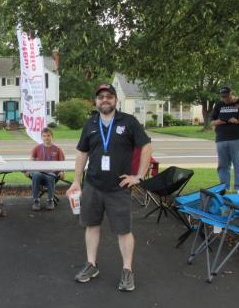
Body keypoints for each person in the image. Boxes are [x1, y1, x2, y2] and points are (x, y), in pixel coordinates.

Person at [66, 84, 152, 292]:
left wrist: (138, 176)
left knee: (124, 231)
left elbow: (146, 146)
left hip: (118, 188)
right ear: (96, 101)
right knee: (91, 225)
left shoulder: (128, 122)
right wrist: (76, 180)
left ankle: (127, 270)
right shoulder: (91, 123)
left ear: (115, 100)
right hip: (93, 186)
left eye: (109, 96)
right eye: (101, 97)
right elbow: (82, 153)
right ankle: (91, 265)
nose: (105, 100)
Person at [210, 86, 239, 192]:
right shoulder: (219, 105)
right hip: (221, 139)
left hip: (238, 139)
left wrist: (238, 120)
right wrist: (218, 122)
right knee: (223, 166)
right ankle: (224, 188)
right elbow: (212, 121)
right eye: (222, 97)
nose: (224, 99)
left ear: (232, 94)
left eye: (226, 96)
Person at [25, 127, 65, 211]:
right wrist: (28, 170)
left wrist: (62, 172)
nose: (46, 138)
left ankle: (50, 200)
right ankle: (36, 201)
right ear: (41, 137)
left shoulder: (58, 150)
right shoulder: (37, 148)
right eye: (44, 136)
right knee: (36, 174)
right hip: (39, 173)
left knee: (50, 176)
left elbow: (63, 164)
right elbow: (31, 161)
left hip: (51, 174)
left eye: (48, 135)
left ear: (52, 136)